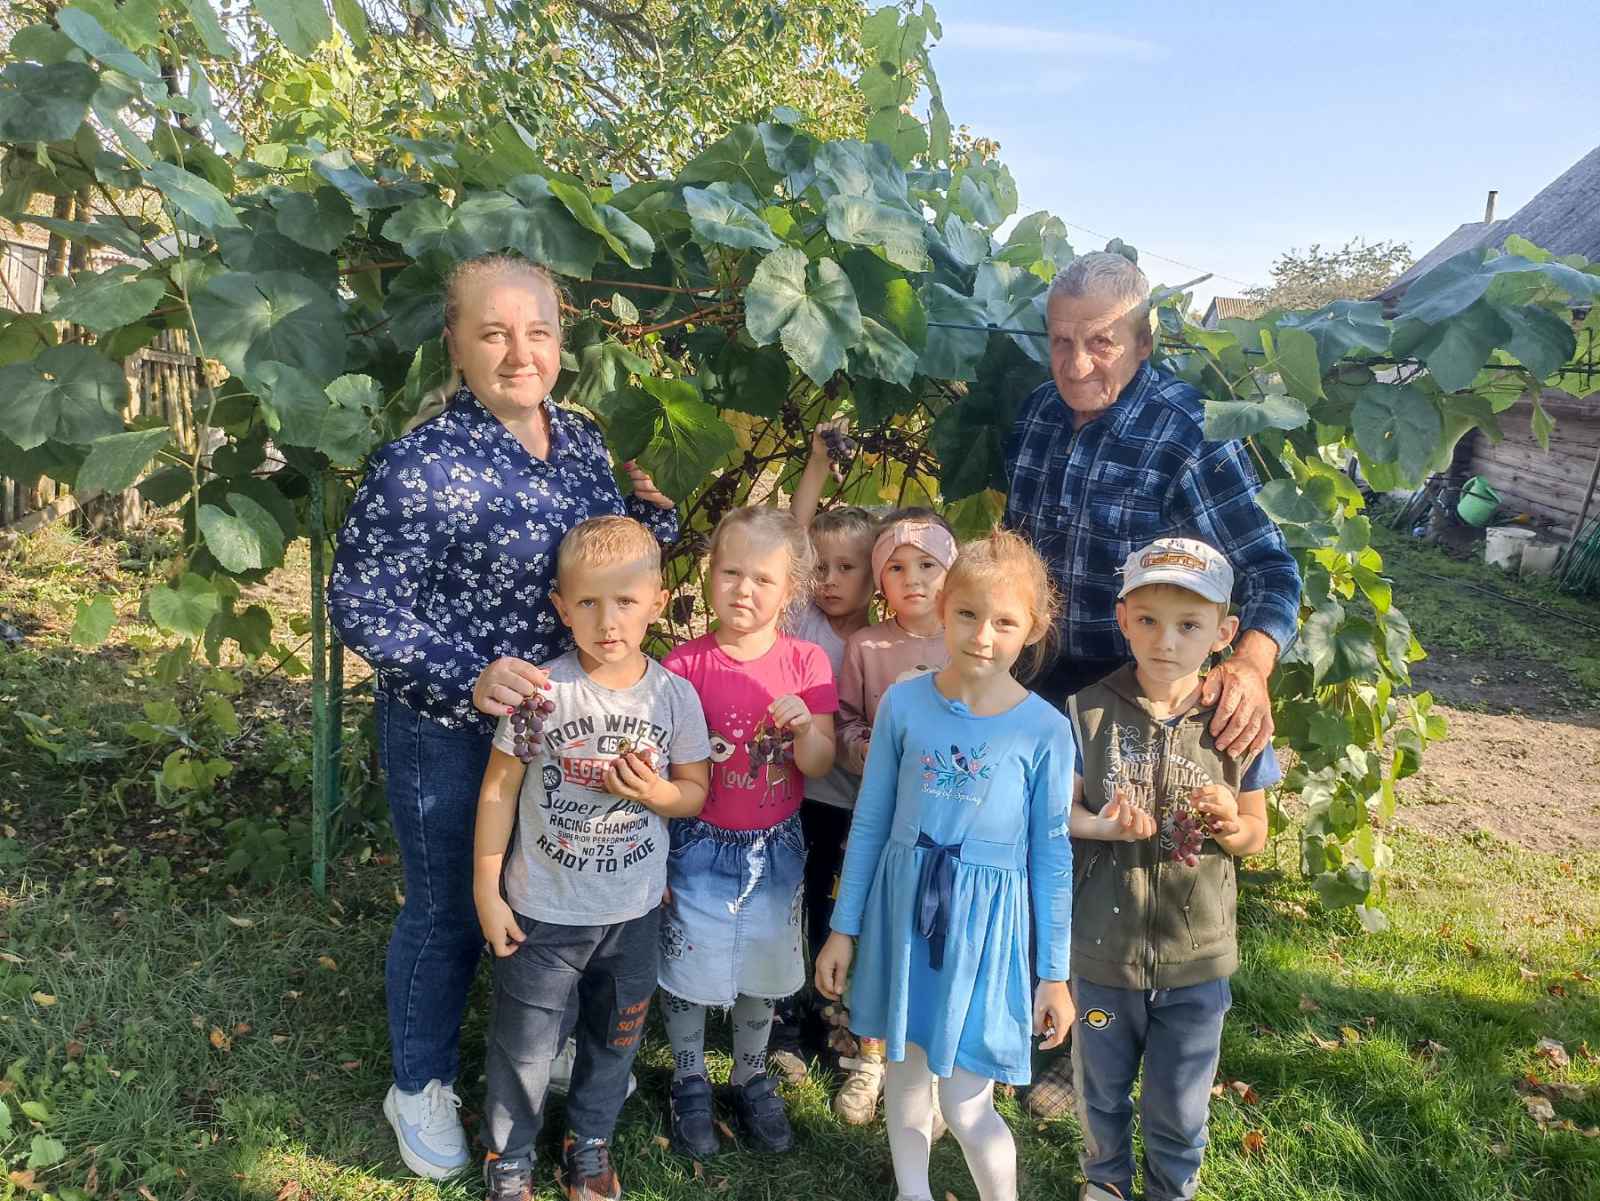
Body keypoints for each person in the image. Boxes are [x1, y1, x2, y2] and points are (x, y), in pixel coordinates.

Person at [327, 253, 676, 1180]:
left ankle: (545, 1042)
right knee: (447, 910)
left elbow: (605, 566)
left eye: (538, 331)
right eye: (493, 333)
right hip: (445, 729)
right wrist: (464, 670)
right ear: (456, 343)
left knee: (541, 895)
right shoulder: (421, 463)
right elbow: (359, 601)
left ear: (561, 341)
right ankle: (420, 1083)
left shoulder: (583, 444)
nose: (519, 352)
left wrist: (658, 523)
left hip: (562, 730)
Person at [1002, 250, 1300, 1117]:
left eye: (1099, 342)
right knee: (1034, 846)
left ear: (1141, 339)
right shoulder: (1035, 416)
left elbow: (1271, 569)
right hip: (1040, 670)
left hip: (1135, 684)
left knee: (1110, 860)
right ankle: (1028, 1009)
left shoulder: (1191, 429)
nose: (1075, 363)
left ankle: (1075, 1045)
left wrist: (1250, 662)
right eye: (1060, 342)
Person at [815, 528, 1076, 1201]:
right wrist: (845, 928)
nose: (982, 635)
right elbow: (870, 821)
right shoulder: (905, 702)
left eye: (1004, 621)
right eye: (967, 614)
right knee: (904, 1075)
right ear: (942, 608)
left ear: (1033, 627)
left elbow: (1051, 853)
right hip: (902, 918)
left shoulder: (1044, 729)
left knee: (963, 1102)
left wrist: (1053, 974)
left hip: (981, 933)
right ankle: (912, 1191)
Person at [472, 516, 711, 1201]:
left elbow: (694, 792)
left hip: (633, 910)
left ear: (657, 603)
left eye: (626, 601)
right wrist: (487, 890)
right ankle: (509, 1154)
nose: (608, 621)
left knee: (616, 1034)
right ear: (561, 606)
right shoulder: (541, 691)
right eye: (588, 602)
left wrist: (659, 791)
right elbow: (498, 789)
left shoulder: (672, 696)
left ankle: (590, 1138)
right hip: (542, 910)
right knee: (524, 1043)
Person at [1067, 537, 1276, 1201]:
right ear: (1123, 617)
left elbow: (1257, 833)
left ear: (1224, 632)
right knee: (1100, 1088)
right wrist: (1101, 823)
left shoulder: (1237, 723)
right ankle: (1105, 1182)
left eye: (1190, 625)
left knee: (1180, 1102)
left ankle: (1171, 1186)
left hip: (1196, 955)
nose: (1167, 641)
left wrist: (1230, 824)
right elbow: (1061, 812)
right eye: (1150, 620)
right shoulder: (1086, 711)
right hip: (1103, 948)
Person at [658, 506, 838, 1158]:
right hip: (698, 841)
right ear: (709, 577)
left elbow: (819, 764)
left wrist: (804, 730)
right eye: (730, 572)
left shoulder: (807, 662)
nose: (744, 589)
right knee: (687, 961)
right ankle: (688, 1075)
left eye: (763, 578)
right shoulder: (681, 666)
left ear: (788, 591)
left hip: (775, 846)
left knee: (764, 964)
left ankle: (750, 1069)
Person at [829, 508, 958, 1125]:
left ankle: (930, 1066)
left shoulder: (967, 638)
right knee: (881, 939)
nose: (913, 580)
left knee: (937, 940)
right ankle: (872, 1060)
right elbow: (847, 719)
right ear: (880, 582)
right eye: (897, 568)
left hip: (950, 830)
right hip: (882, 824)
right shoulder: (867, 646)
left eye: (927, 566)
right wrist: (867, 749)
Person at [766, 419, 878, 1081]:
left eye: (848, 568)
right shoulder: (805, 619)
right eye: (823, 568)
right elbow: (790, 538)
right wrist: (813, 464)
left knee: (843, 911)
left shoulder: (886, 640)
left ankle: (835, 1018)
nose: (831, 580)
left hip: (854, 804)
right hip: (799, 796)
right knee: (795, 900)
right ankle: (785, 1017)